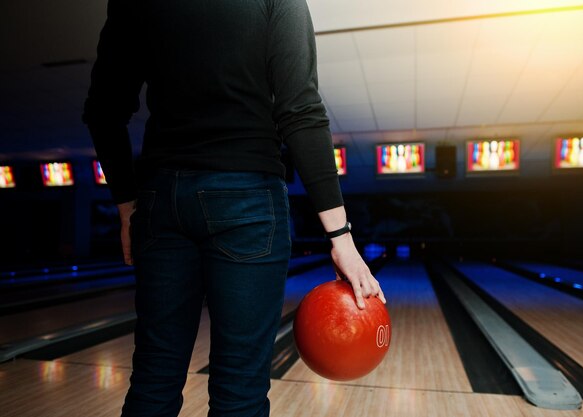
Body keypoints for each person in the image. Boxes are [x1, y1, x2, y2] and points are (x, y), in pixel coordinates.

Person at [83, 0, 385, 416]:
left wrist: (125, 207)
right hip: (247, 197)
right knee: (239, 390)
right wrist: (341, 238)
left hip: (161, 201)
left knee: (154, 377)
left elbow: (102, 110)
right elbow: (300, 110)